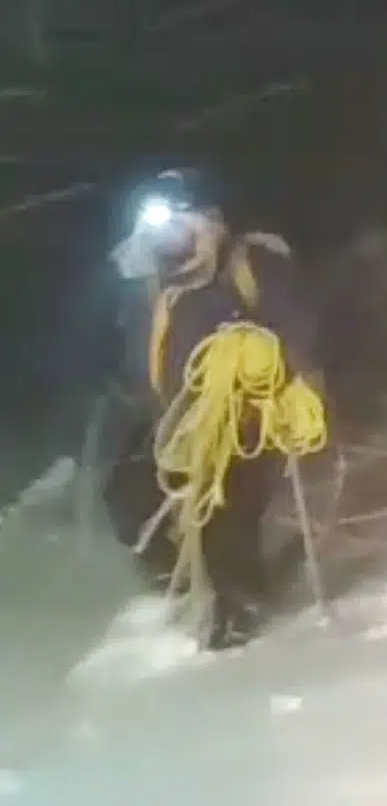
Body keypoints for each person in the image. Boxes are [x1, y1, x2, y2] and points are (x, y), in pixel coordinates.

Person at [102, 162, 326, 650]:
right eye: (156, 228)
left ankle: (238, 615)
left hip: (245, 418)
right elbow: (141, 350)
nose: (167, 238)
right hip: (172, 418)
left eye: (178, 224)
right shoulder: (148, 283)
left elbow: (297, 329)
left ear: (206, 222)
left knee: (224, 511)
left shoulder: (249, 267)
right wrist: (135, 401)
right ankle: (179, 583)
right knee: (126, 496)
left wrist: (286, 380)